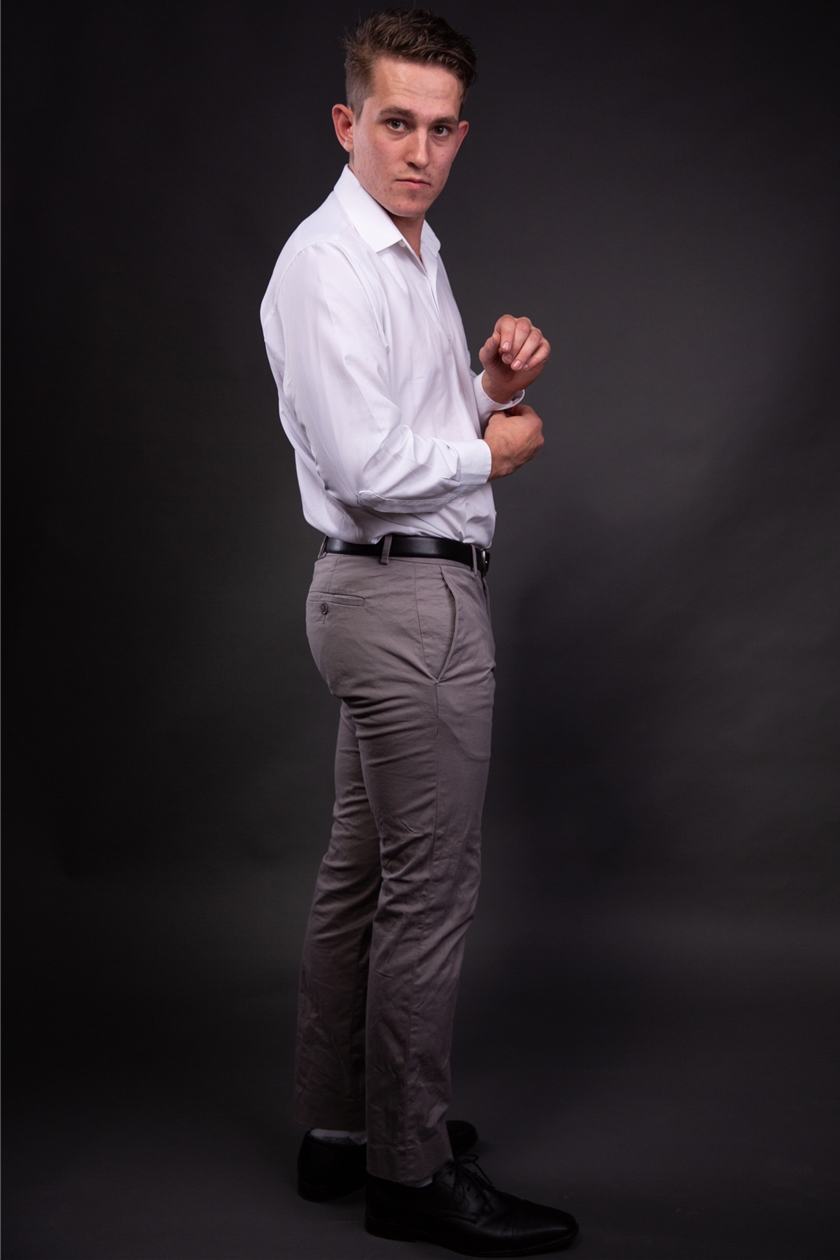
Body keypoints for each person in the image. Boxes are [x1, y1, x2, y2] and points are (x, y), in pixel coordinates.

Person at [260, 9, 579, 1254]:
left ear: (460, 135)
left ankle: (341, 1132)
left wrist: (489, 385)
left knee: (363, 876)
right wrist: (494, 452)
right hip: (404, 603)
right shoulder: (328, 263)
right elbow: (366, 464)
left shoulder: (411, 252)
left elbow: (412, 421)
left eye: (442, 130)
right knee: (428, 894)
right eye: (396, 123)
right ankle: (409, 1167)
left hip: (384, 597)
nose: (419, 152)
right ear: (349, 122)